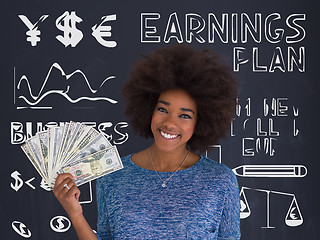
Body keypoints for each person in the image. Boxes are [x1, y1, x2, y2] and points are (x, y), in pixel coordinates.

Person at [53, 44, 241, 240]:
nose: (169, 123)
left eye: (184, 116)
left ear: (201, 122)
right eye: (162, 109)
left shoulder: (220, 181)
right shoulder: (113, 176)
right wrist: (75, 214)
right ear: (148, 108)